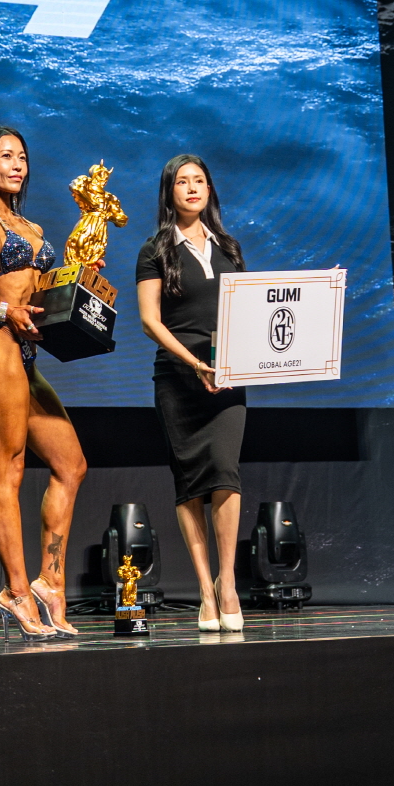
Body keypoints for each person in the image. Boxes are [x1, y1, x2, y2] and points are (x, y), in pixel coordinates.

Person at [0, 125, 88, 641]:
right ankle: (15, 590)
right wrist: (4, 309)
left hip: (27, 357)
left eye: (22, 157)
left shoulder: (31, 226)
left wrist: (79, 279)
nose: (17, 165)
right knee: (8, 469)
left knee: (71, 465)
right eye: (6, 156)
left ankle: (50, 580)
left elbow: (42, 290)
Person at [135, 154, 246, 633]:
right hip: (178, 380)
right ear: (170, 192)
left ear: (209, 189)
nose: (192, 188)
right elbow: (150, 321)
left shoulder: (229, 247)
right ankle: (204, 589)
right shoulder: (154, 250)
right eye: (183, 181)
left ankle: (228, 583)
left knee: (225, 472)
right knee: (190, 484)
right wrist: (194, 363)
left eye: (199, 180)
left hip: (227, 377)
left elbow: (249, 311)